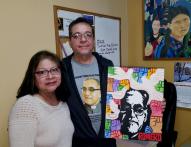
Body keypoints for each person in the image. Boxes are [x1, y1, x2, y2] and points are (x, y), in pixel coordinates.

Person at [62, 17, 116, 147]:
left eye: (88, 35)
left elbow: (119, 98)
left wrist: (154, 103)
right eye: (77, 35)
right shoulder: (62, 69)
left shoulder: (107, 65)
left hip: (107, 140)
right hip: (78, 141)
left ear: (93, 40)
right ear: (70, 41)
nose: (83, 39)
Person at [8, 50, 74, 147]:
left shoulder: (62, 103)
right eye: (42, 72)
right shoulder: (25, 105)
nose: (50, 76)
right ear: (33, 77)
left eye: (54, 70)